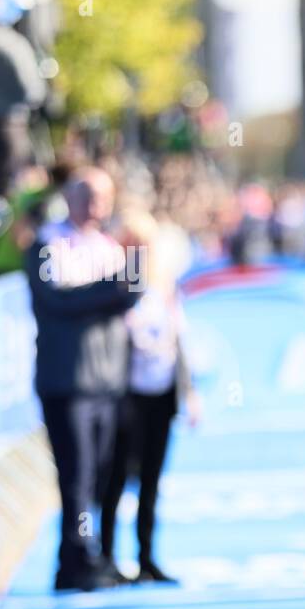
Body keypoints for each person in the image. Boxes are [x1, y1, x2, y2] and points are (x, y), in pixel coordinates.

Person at [25, 166, 139, 592]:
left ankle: (95, 554)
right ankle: (72, 562)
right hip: (67, 380)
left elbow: (135, 289)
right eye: (88, 196)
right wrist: (109, 290)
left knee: (102, 476)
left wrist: (114, 286)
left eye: (104, 197)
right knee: (76, 474)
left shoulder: (110, 245)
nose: (97, 207)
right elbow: (55, 301)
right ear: (70, 198)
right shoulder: (48, 244)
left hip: (108, 380)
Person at [99, 209, 199, 585]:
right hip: (127, 394)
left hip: (161, 393)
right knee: (116, 477)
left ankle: (146, 556)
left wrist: (188, 393)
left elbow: (178, 339)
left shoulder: (165, 286)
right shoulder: (115, 285)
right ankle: (107, 555)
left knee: (152, 479)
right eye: (133, 244)